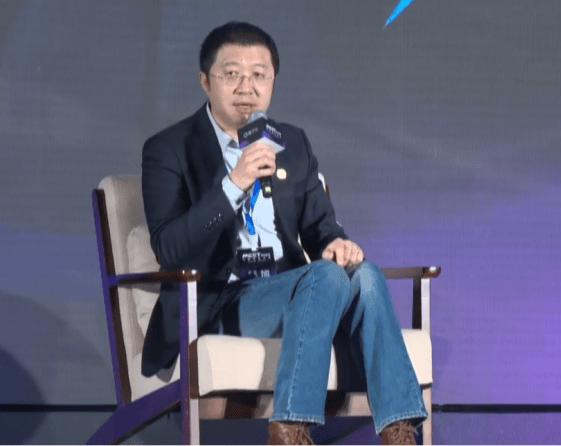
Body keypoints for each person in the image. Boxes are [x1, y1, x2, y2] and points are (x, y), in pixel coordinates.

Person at [140, 22, 426, 445]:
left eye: (259, 75)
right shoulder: (170, 148)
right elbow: (170, 248)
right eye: (232, 74)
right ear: (205, 81)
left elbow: (320, 227)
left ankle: (398, 430)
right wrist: (234, 184)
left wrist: (335, 243)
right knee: (327, 277)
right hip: (219, 301)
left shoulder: (291, 142)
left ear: (273, 81)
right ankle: (291, 426)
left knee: (364, 272)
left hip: (297, 293)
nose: (247, 87)